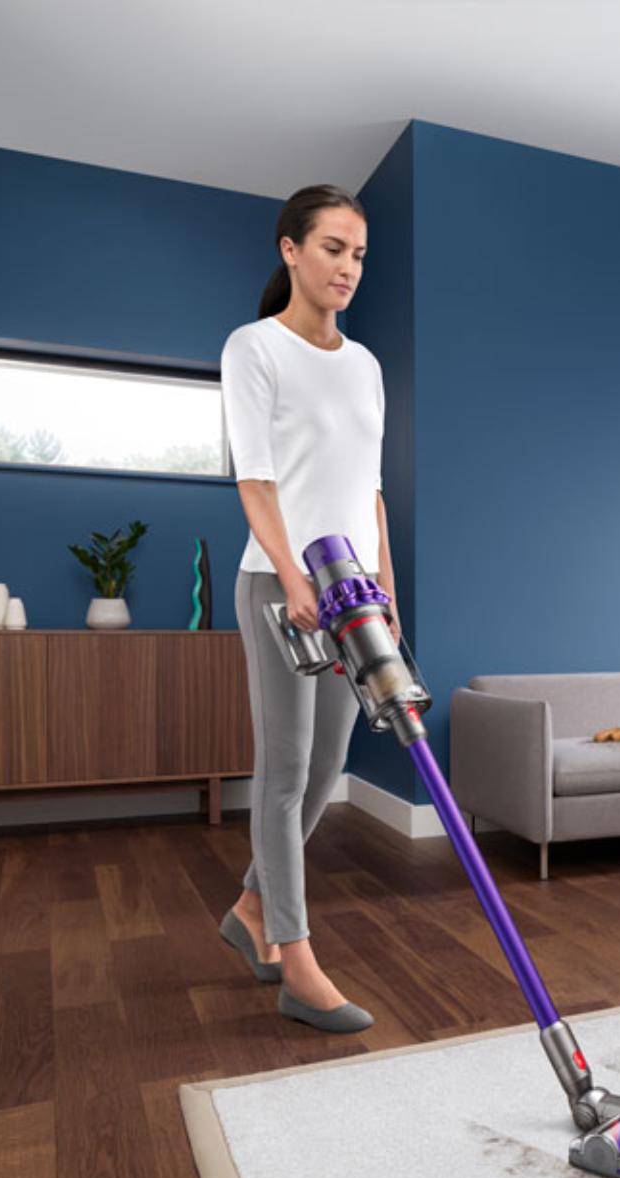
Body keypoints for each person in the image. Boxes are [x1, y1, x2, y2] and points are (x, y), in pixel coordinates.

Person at [215, 185, 395, 1032]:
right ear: (291, 250)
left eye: (358, 253)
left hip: (352, 593)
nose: (348, 267)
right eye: (332, 248)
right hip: (281, 586)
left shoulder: (364, 365)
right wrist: (291, 578)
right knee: (284, 771)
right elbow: (255, 477)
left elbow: (372, 493)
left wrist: (385, 590)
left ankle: (252, 909)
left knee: (331, 765)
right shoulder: (254, 349)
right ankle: (297, 959)